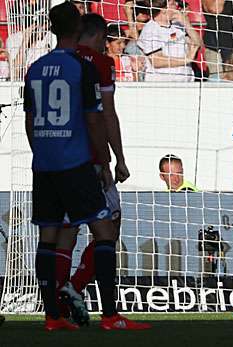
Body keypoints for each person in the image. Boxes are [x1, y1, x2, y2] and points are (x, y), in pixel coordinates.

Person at [23, 2, 147, 331]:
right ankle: (109, 315)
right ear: (77, 28)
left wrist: (41, 152)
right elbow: (96, 118)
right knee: (105, 231)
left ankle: (52, 317)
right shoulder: (84, 67)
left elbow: (30, 120)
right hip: (77, 162)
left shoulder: (34, 68)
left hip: (44, 164)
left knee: (50, 236)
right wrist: (106, 162)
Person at [136, 0, 202, 81]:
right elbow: (157, 61)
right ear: (163, 9)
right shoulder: (150, 29)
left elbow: (198, 44)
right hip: (163, 84)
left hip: (186, 81)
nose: (177, 5)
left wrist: (186, 23)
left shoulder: (178, 25)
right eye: (173, 3)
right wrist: (187, 59)